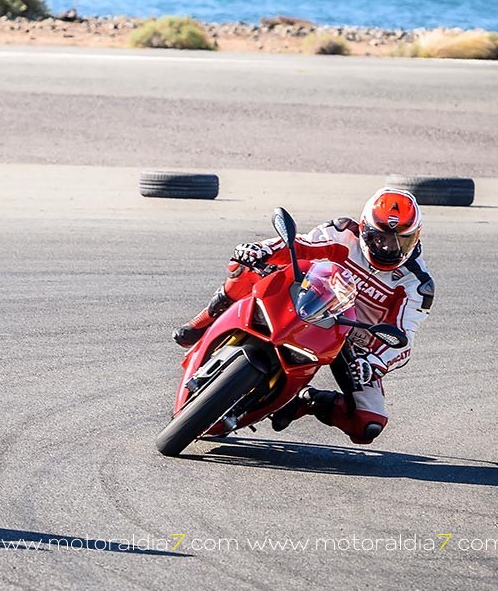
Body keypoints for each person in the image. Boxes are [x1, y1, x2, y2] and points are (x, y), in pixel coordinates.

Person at [173, 188, 434, 444]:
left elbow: (404, 340)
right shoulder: (342, 234)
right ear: (364, 228)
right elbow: (300, 246)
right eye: (381, 238)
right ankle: (204, 320)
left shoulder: (416, 285)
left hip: (352, 343)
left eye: (402, 241)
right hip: (306, 301)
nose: (389, 248)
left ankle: (307, 402)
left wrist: (375, 363)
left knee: (369, 423)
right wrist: (260, 249)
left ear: (416, 237)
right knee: (245, 265)